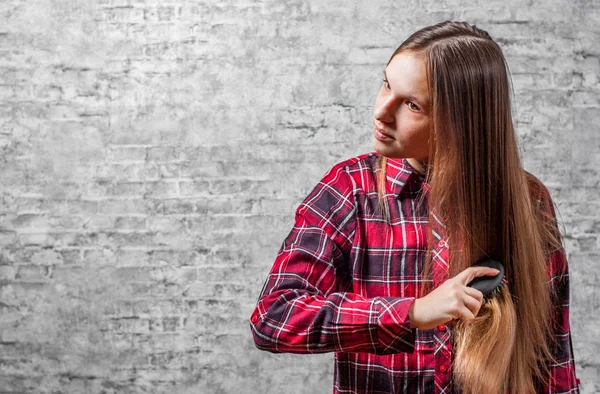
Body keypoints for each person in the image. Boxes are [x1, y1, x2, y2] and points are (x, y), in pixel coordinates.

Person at [249, 21, 581, 394]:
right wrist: (412, 313)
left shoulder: (528, 203)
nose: (381, 111)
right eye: (386, 84)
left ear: (460, 123)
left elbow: (554, 364)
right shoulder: (349, 191)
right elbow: (273, 318)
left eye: (412, 104)